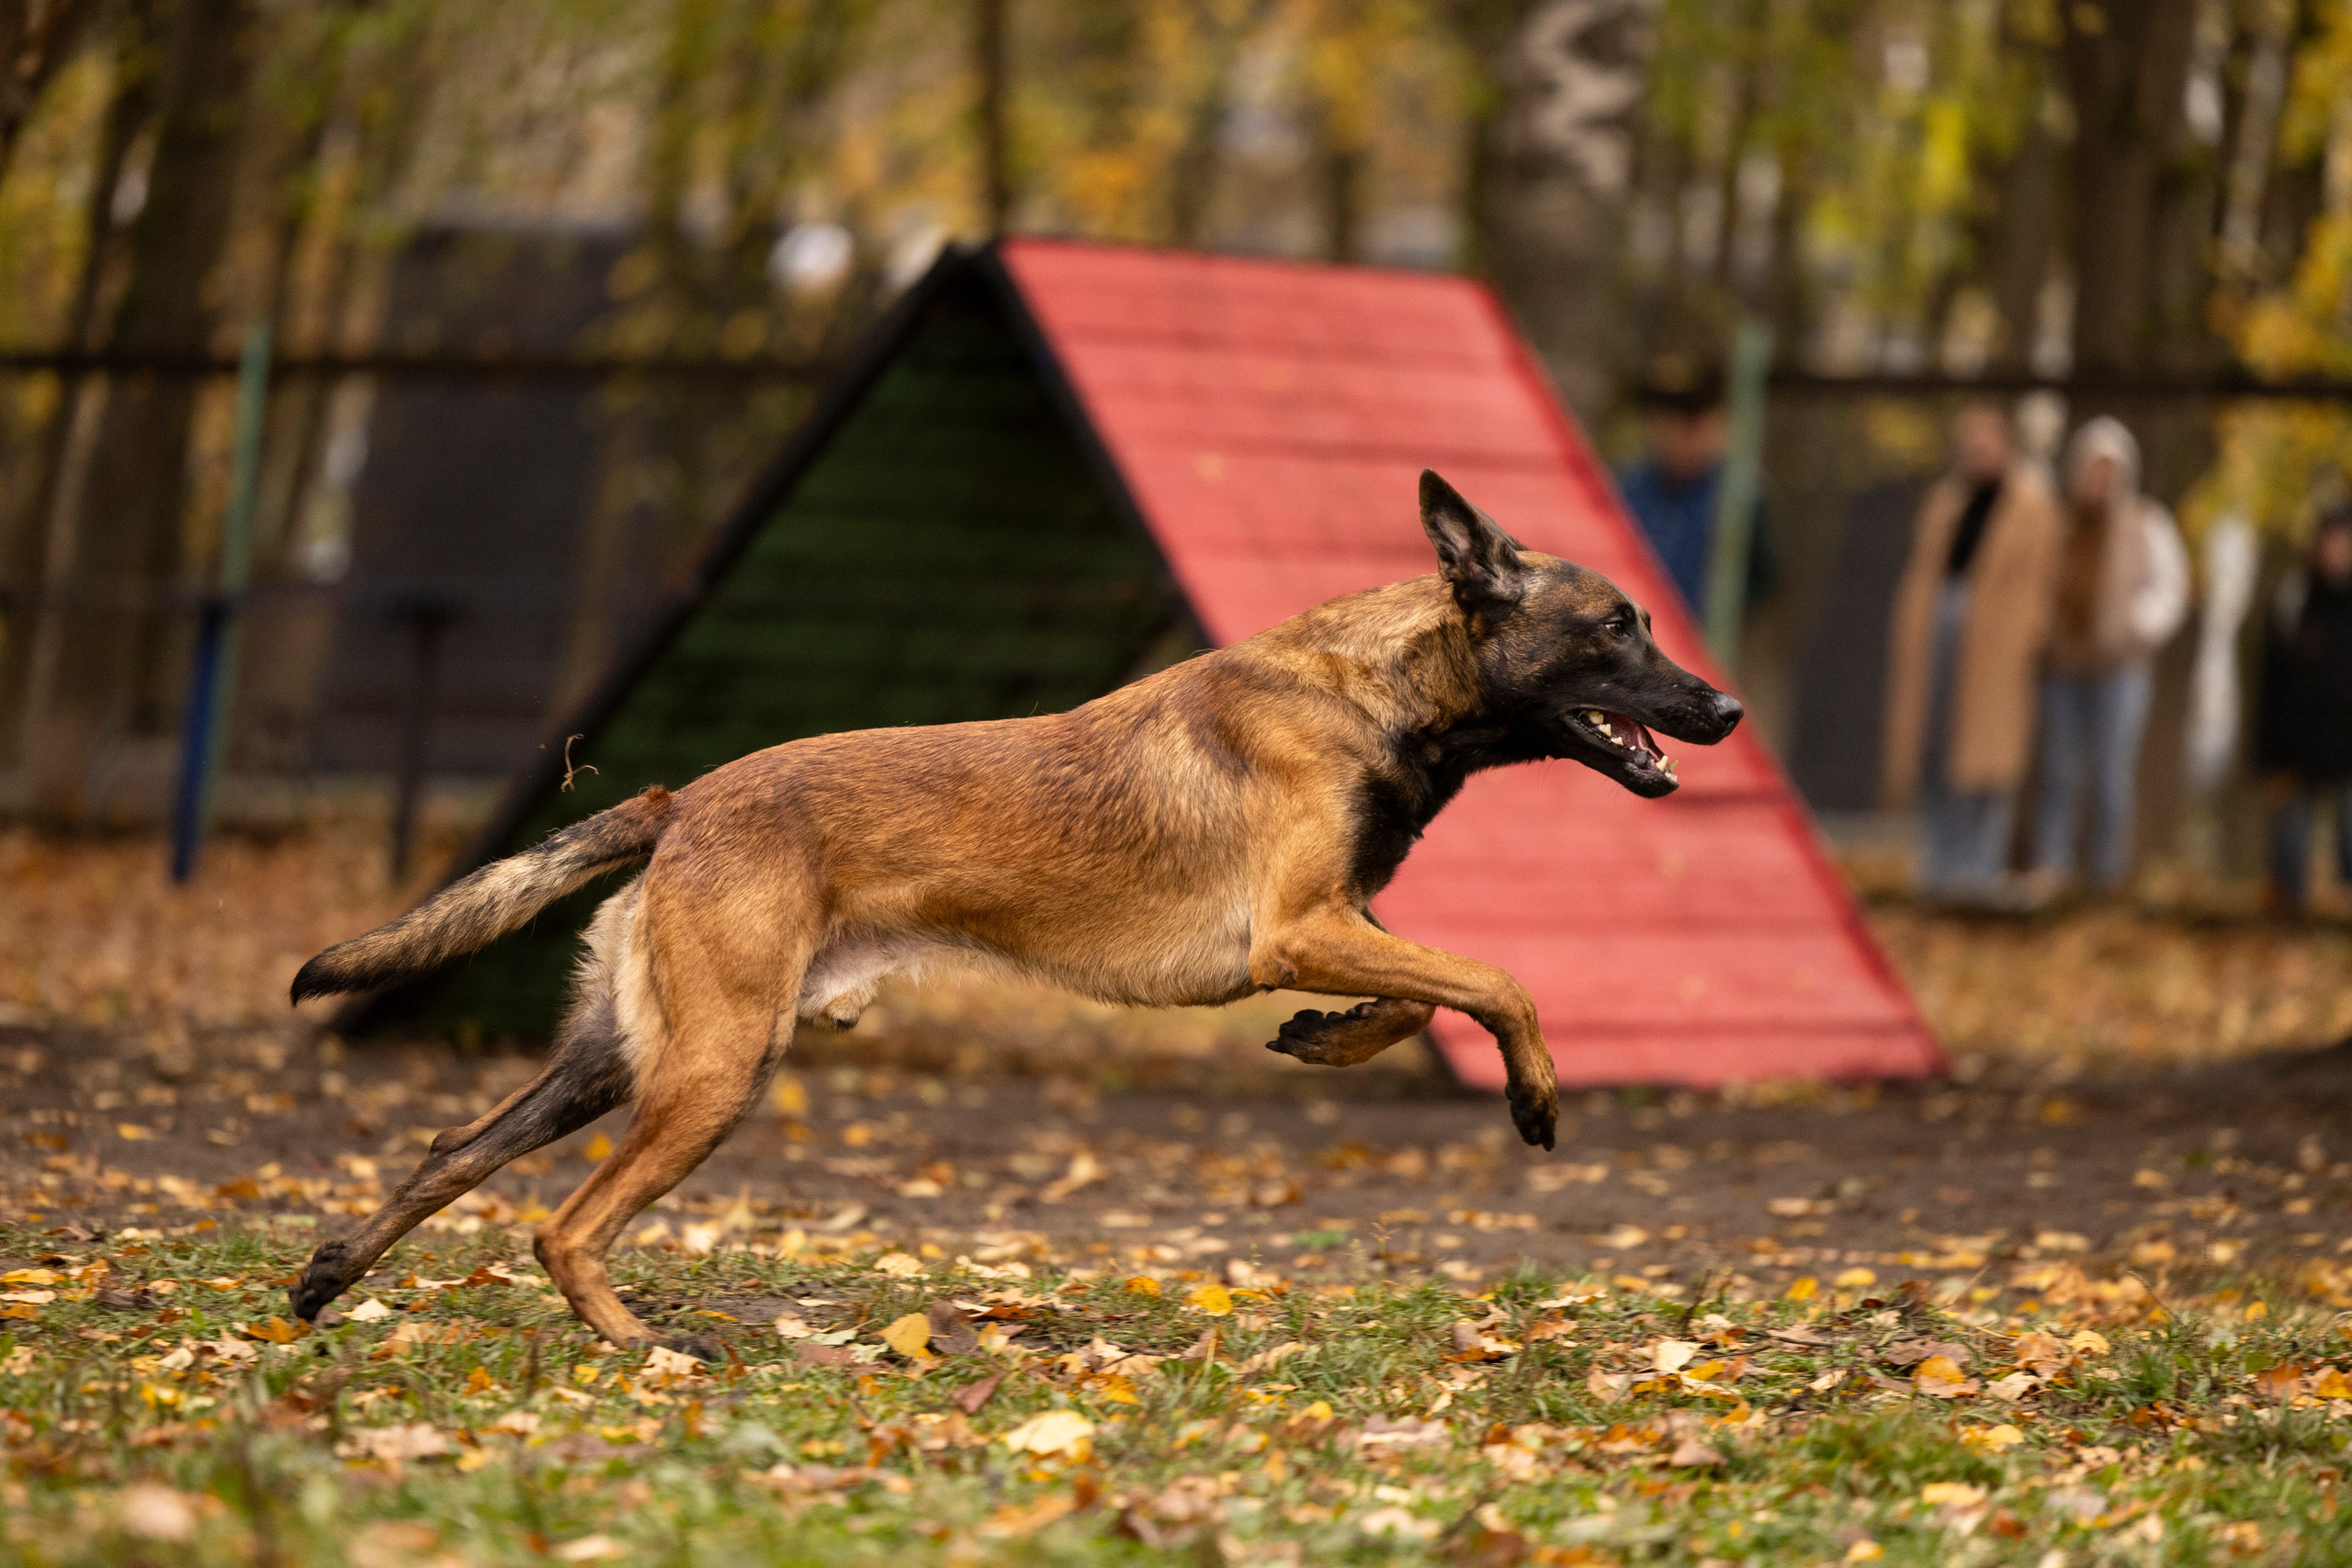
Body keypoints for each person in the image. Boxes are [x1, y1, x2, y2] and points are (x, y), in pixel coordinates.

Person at [1883, 400, 2064, 902]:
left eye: (1986, 445)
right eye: (1970, 446)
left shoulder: (2032, 507)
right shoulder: (1946, 502)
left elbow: (2041, 583)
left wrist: (2023, 637)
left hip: (1997, 653)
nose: (1977, 455)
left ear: (2005, 446)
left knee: (1988, 768)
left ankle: (1979, 873)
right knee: (1939, 755)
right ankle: (1939, 871)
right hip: (1942, 641)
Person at [2030, 417, 2189, 894]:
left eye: (2108, 471)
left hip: (2120, 670)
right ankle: (2051, 868)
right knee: (2057, 771)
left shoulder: (2145, 522)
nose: (2098, 481)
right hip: (2062, 668)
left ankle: (2106, 876)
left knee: (2110, 777)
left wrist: (2136, 627)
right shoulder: (2056, 525)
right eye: (2091, 469)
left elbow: (2171, 588)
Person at [1614, 361, 1772, 617]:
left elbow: (1764, 579)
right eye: (1668, 420)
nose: (1677, 435)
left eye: (1691, 423)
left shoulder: (1742, 494)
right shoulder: (1627, 487)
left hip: (1699, 640)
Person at [2255, 504, 2352, 915]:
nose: (2335, 550)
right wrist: (2269, 752)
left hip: (2348, 742)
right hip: (2297, 744)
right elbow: (2271, 680)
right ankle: (2287, 915)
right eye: (2328, 539)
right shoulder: (2292, 600)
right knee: (2291, 842)